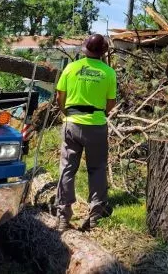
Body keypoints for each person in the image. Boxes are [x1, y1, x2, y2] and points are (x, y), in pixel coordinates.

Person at [55, 33, 116, 232]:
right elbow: (111, 103)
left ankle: (63, 216)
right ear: (103, 53)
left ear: (84, 50)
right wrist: (99, 115)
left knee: (67, 168)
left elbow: (60, 96)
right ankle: (96, 215)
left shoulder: (71, 68)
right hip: (97, 125)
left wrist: (67, 113)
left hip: (71, 123)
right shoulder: (108, 73)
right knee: (97, 169)